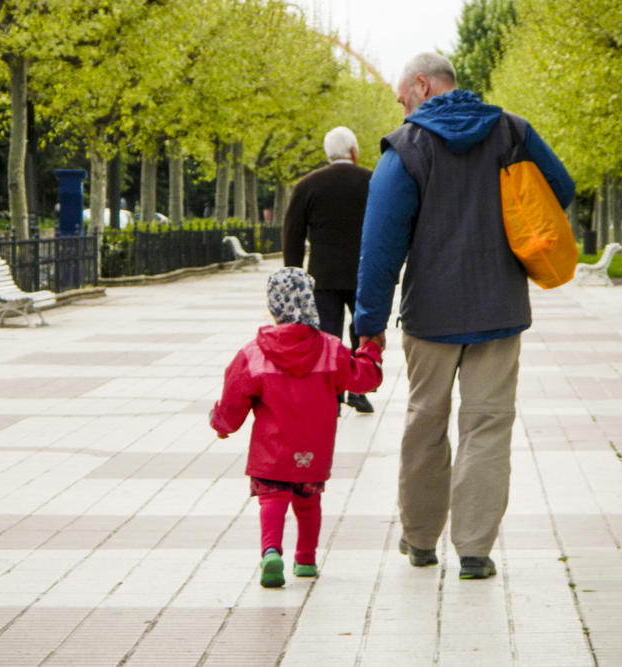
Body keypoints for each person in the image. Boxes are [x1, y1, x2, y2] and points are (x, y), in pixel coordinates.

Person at [354, 53, 575, 579]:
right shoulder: (513, 132)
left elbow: (380, 245)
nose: (402, 105)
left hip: (430, 317)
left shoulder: (405, 148)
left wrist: (369, 323)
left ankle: (421, 540)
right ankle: (475, 550)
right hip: (500, 307)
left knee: (425, 424)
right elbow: (560, 189)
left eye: (403, 95)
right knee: (488, 426)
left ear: (423, 85)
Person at [210, 267, 383, 587]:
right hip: (313, 450)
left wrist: (223, 424)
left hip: (271, 450)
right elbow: (363, 378)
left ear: (274, 307)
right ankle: (305, 559)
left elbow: (235, 393)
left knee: (272, 499)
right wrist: (371, 351)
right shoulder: (330, 348)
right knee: (308, 502)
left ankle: (271, 550)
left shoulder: (254, 352)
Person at [283, 127, 375, 413]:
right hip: (364, 273)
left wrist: (294, 274)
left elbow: (292, 234)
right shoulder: (373, 181)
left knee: (327, 335)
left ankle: (331, 394)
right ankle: (358, 390)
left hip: (323, 275)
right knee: (362, 333)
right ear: (354, 151)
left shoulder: (308, 185)